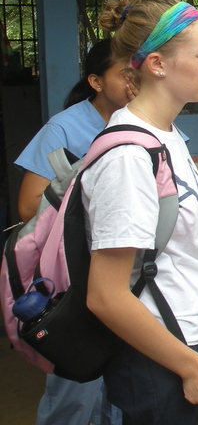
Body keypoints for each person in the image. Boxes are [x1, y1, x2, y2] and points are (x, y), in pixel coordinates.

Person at [84, 0, 198, 425]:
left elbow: (166, 241)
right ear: (157, 64)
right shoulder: (129, 156)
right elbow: (106, 295)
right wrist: (193, 368)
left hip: (178, 332)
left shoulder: (166, 135)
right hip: (155, 354)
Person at [15, 39, 134, 425]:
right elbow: (28, 203)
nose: (135, 81)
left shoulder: (146, 122)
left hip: (131, 270)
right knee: (77, 382)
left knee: (123, 386)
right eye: (124, 74)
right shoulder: (65, 128)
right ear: (96, 82)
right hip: (76, 272)